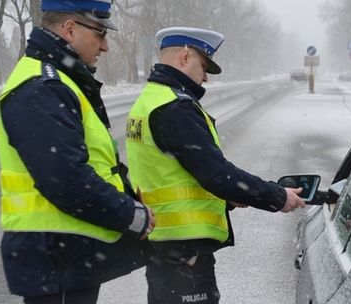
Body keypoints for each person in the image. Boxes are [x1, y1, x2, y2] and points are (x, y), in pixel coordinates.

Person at [125, 26, 306, 304]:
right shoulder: (175, 107)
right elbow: (216, 174)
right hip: (184, 252)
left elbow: (172, 172)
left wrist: (229, 198)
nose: (205, 77)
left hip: (166, 245)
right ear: (185, 57)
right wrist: (277, 197)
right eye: (204, 65)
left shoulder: (150, 99)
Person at [0, 1, 155, 303]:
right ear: (70, 29)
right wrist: (131, 215)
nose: (106, 46)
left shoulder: (59, 79)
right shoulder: (43, 85)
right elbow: (66, 179)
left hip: (63, 255)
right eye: (99, 33)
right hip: (55, 255)